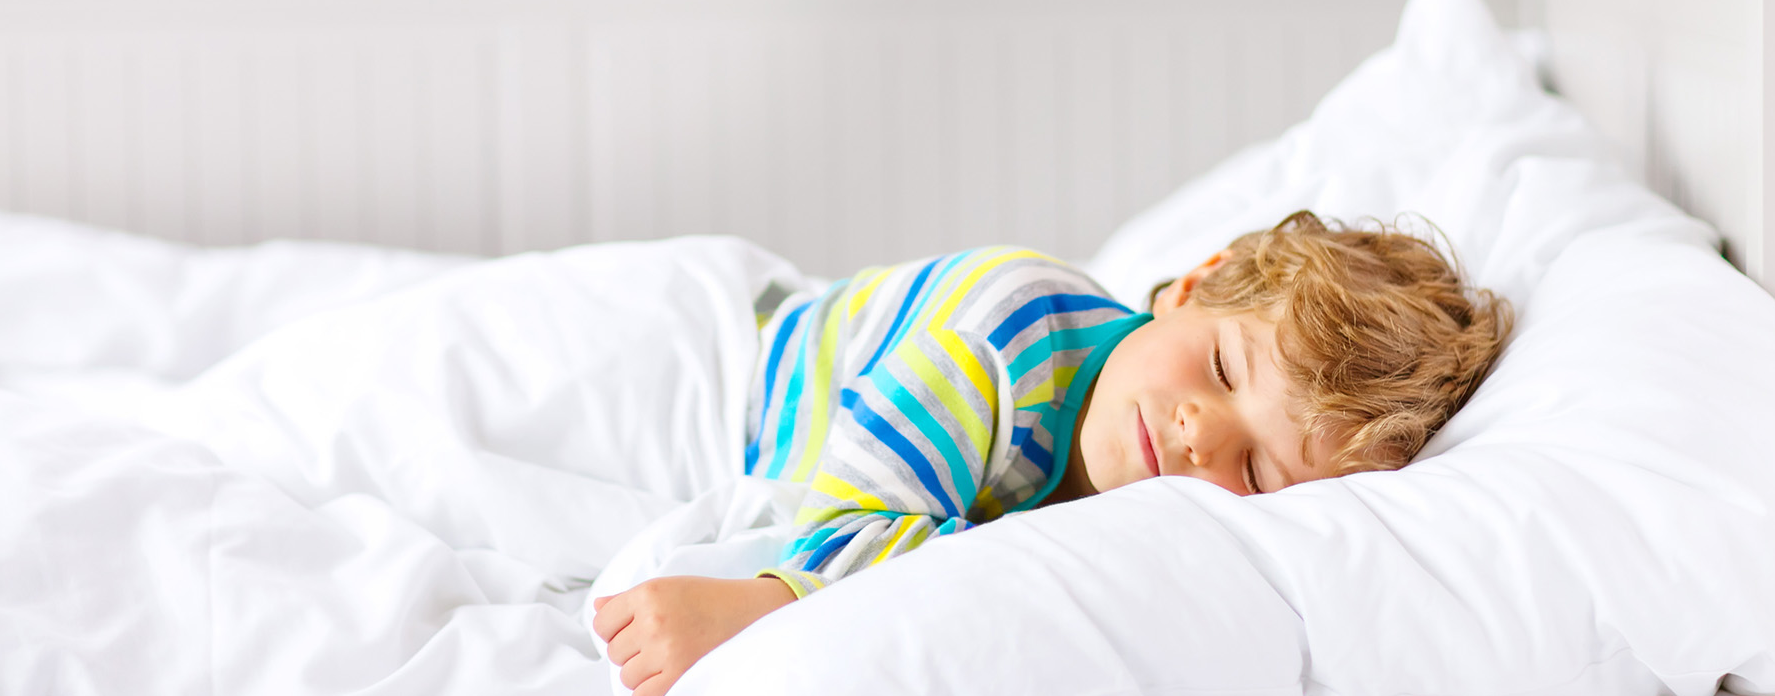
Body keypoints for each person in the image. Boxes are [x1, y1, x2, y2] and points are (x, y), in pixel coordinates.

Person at [591, 210, 1514, 695]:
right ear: (1192, 287)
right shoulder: (1007, 345)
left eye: (1259, 472)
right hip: (703, 358)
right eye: (1224, 368)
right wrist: (767, 602)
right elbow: (845, 526)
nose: (1200, 433)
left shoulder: (1145, 516)